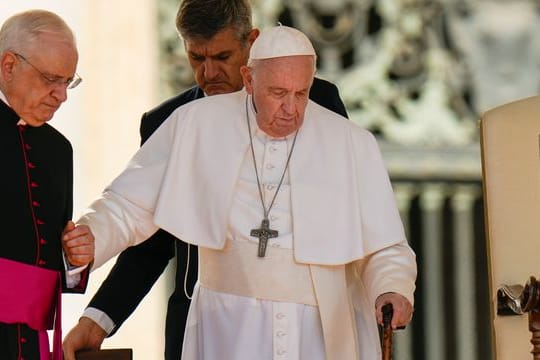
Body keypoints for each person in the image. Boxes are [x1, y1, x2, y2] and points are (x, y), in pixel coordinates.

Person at [64, 25, 416, 359]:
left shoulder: (351, 142)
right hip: (226, 325)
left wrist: (392, 286)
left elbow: (385, 245)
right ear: (249, 80)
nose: (291, 109)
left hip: (318, 330)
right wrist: (93, 236)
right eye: (278, 93)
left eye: (301, 93)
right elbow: (129, 204)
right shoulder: (194, 124)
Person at [0, 9, 94, 360]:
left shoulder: (58, 150)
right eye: (50, 79)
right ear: (9, 65)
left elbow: (48, 259)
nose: (62, 95)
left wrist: (74, 260)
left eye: (68, 82)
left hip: (32, 341)